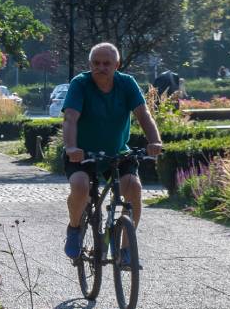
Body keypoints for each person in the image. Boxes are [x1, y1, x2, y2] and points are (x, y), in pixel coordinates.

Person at [61, 42, 163, 263]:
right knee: (80, 186)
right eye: (96, 63)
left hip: (117, 153)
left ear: (117, 64)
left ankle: (126, 249)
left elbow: (143, 114)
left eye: (107, 63)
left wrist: (155, 141)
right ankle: (75, 227)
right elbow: (70, 118)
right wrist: (71, 148)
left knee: (134, 189)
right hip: (83, 154)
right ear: (90, 64)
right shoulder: (80, 84)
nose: (101, 67)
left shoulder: (126, 83)